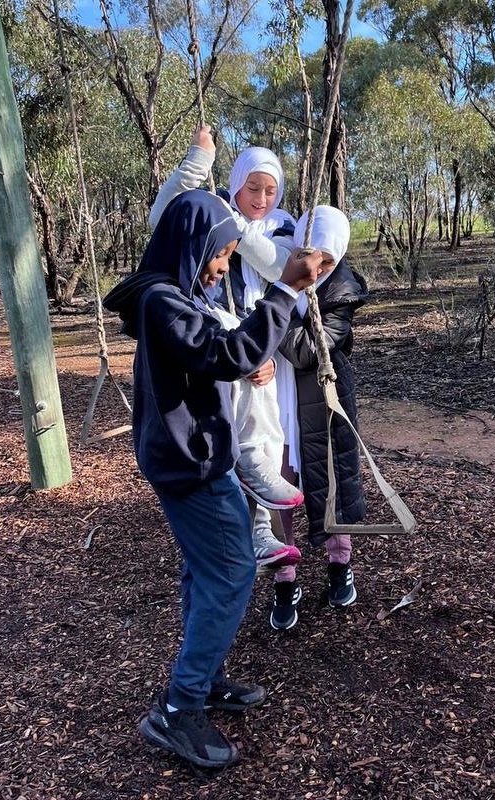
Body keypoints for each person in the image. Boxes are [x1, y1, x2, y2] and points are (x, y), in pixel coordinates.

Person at [103, 189, 324, 767]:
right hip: (188, 464)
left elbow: (226, 350)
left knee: (207, 568)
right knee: (232, 570)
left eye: (229, 254)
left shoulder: (172, 298)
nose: (223, 265)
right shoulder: (161, 302)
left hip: (198, 455)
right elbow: (227, 355)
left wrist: (262, 328)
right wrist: (283, 291)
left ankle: (206, 676)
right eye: (221, 252)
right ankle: (178, 708)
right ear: (193, 243)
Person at [149, 127, 302, 570]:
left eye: (270, 190)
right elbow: (163, 216)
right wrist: (197, 161)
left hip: (262, 344)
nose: (260, 199)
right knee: (232, 436)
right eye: (252, 188)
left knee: (263, 425)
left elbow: (278, 264)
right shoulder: (209, 213)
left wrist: (239, 224)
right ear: (235, 182)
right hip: (217, 338)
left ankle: (259, 533)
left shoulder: (283, 226)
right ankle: (240, 533)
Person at [269, 206, 368, 631]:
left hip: (323, 398)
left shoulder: (342, 290)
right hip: (276, 398)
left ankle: (338, 565)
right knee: (279, 485)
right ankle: (285, 580)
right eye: (312, 259)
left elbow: (312, 351)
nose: (318, 270)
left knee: (331, 480)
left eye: (327, 261)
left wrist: (272, 309)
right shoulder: (278, 269)